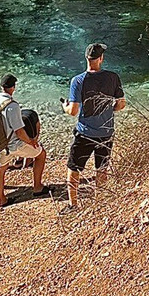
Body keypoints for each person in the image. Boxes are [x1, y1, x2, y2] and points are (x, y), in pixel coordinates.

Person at [61, 43, 125, 213]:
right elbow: (121, 104)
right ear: (101, 58)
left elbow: (73, 111)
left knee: (73, 168)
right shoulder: (113, 77)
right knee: (102, 169)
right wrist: (108, 110)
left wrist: (65, 107)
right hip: (106, 133)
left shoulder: (78, 81)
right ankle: (100, 202)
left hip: (85, 133)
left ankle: (73, 205)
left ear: (86, 58)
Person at [0, 74, 47, 208]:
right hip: (14, 144)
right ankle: (37, 187)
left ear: (1, 87)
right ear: (13, 87)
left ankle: (1, 199)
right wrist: (31, 142)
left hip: (0, 143)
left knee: (0, 169)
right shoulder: (12, 106)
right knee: (41, 154)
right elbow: (19, 131)